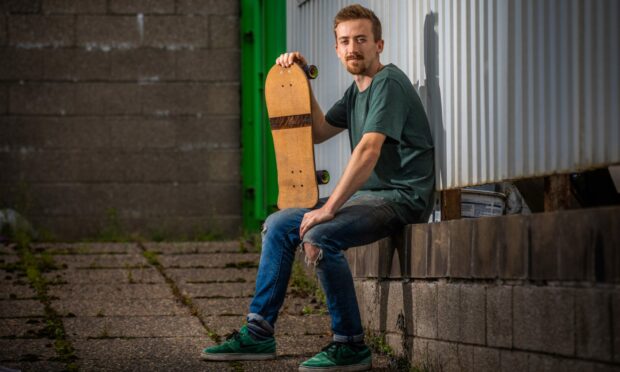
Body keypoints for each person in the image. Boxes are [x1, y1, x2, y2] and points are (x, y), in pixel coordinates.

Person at [201, 4, 434, 371]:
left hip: (401, 196)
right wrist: (299, 81)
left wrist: (328, 209)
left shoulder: (388, 82)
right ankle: (259, 333)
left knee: (320, 233)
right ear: (336, 49)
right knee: (280, 224)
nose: (353, 47)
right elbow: (321, 129)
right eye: (345, 41)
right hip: (370, 198)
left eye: (361, 39)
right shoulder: (357, 90)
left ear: (379, 44)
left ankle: (350, 344)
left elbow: (369, 149)